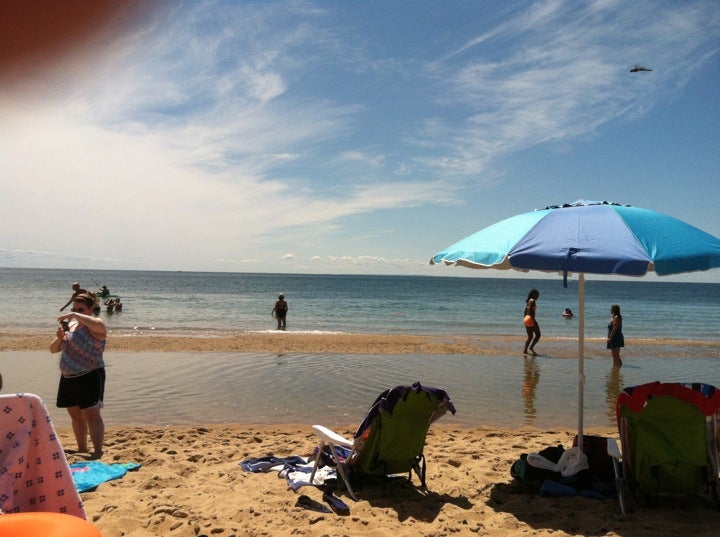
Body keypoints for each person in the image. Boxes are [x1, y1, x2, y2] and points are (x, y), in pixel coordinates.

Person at [50, 292, 107, 458]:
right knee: (74, 414)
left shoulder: (96, 324)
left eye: (80, 308)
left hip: (90, 374)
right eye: (74, 308)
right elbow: (53, 350)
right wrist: (58, 338)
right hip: (68, 377)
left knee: (92, 414)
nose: (75, 311)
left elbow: (99, 327)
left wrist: (76, 314)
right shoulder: (72, 326)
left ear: (90, 309)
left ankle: (97, 451)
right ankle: (82, 448)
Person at [523, 289, 541, 355]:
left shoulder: (529, 301)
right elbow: (528, 309)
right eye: (537, 294)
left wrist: (526, 318)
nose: (538, 296)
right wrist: (531, 318)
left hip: (526, 319)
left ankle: (525, 350)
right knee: (538, 335)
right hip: (530, 319)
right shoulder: (532, 300)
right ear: (533, 294)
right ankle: (531, 347)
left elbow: (526, 310)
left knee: (530, 336)